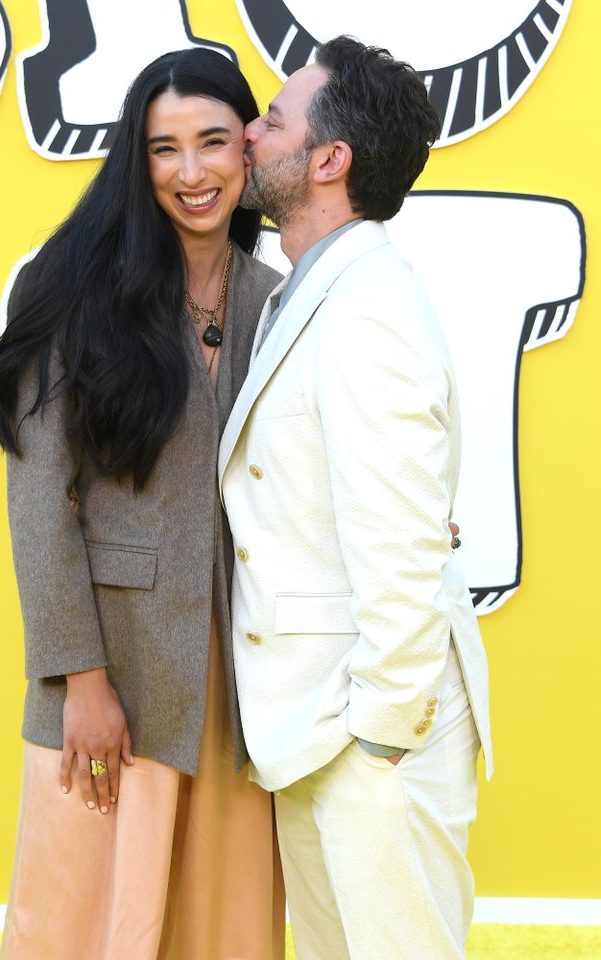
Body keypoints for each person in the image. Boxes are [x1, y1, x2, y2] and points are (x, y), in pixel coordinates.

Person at [0, 49, 285, 960]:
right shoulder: (71, 289)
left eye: (213, 143)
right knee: (81, 923)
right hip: (114, 678)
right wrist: (81, 678)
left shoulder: (285, 300)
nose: (192, 174)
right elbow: (39, 497)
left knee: (220, 929)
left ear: (247, 151)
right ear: (134, 159)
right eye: (164, 149)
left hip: (241, 684)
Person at [218, 37, 492, 960]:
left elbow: (404, 544)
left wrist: (378, 739)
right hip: (316, 731)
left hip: (368, 738)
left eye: (271, 121)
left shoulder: (368, 309)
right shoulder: (313, 291)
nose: (245, 137)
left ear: (327, 161)